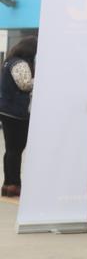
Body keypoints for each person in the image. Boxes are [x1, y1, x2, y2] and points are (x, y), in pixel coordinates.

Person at [1, 36, 37, 198]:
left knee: (10, 150)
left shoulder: (9, 61)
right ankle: (14, 184)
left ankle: (8, 184)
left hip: (8, 110)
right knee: (16, 150)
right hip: (16, 112)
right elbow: (25, 84)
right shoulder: (20, 63)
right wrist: (40, 80)